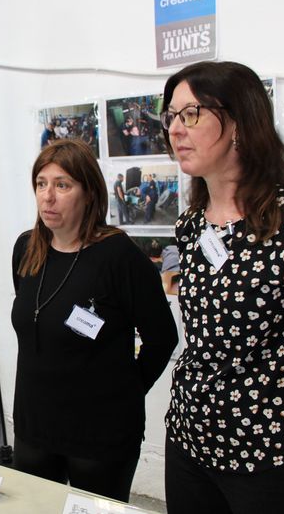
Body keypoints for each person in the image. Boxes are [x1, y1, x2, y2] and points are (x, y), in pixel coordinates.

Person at [160, 61, 284, 514]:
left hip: (275, 450)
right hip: (192, 439)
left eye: (190, 114)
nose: (175, 129)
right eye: (170, 115)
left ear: (240, 123)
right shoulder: (191, 225)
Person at [11, 139, 178, 501]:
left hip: (99, 433)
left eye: (62, 185)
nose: (48, 197)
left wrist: (127, 392)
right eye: (41, 183)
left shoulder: (120, 257)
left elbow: (162, 338)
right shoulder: (27, 249)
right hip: (33, 426)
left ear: (89, 194)